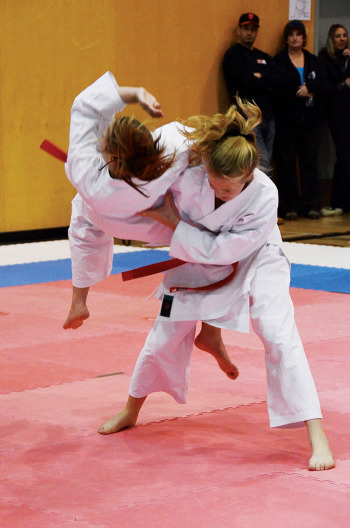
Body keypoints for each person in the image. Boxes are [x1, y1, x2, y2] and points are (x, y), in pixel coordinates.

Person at [99, 99, 335, 472]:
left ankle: (316, 434)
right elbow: (145, 163)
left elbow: (223, 250)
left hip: (255, 257)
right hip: (195, 248)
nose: (219, 192)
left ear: (249, 173)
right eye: (213, 183)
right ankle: (131, 409)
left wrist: (174, 224)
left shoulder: (265, 196)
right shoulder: (187, 161)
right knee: (166, 331)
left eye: (228, 190)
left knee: (277, 331)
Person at [63, 71, 238, 379]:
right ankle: (212, 329)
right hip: (156, 219)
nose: (100, 139)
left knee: (82, 221)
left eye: (103, 141)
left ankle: (79, 301)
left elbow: (85, 108)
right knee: (217, 240)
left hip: (111, 217)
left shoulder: (87, 176)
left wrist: (135, 93)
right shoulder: (163, 154)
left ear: (114, 159)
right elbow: (195, 137)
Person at [273, 20, 327, 220]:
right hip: (287, 120)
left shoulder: (314, 61)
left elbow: (325, 85)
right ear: (286, 38)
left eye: (298, 34)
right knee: (286, 163)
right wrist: (297, 92)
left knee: (309, 162)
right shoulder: (278, 61)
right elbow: (276, 88)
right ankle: (289, 206)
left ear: (304, 38)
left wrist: (310, 88)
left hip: (311, 120)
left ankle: (311, 205)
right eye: (291, 34)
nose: (295, 38)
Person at [222, 13, 275, 177]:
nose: (250, 33)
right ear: (239, 30)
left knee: (267, 158)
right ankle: (260, 200)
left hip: (268, 114)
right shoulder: (233, 55)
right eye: (246, 28)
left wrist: (260, 78)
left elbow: (277, 79)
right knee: (260, 162)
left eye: (253, 29)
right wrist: (261, 80)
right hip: (247, 115)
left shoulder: (263, 56)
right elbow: (244, 82)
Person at [319, 24, 350, 215]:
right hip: (336, 114)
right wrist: (343, 84)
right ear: (332, 38)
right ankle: (338, 200)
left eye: (345, 35)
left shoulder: (348, 57)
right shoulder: (325, 59)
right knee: (344, 156)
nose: (341, 39)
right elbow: (326, 89)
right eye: (338, 36)